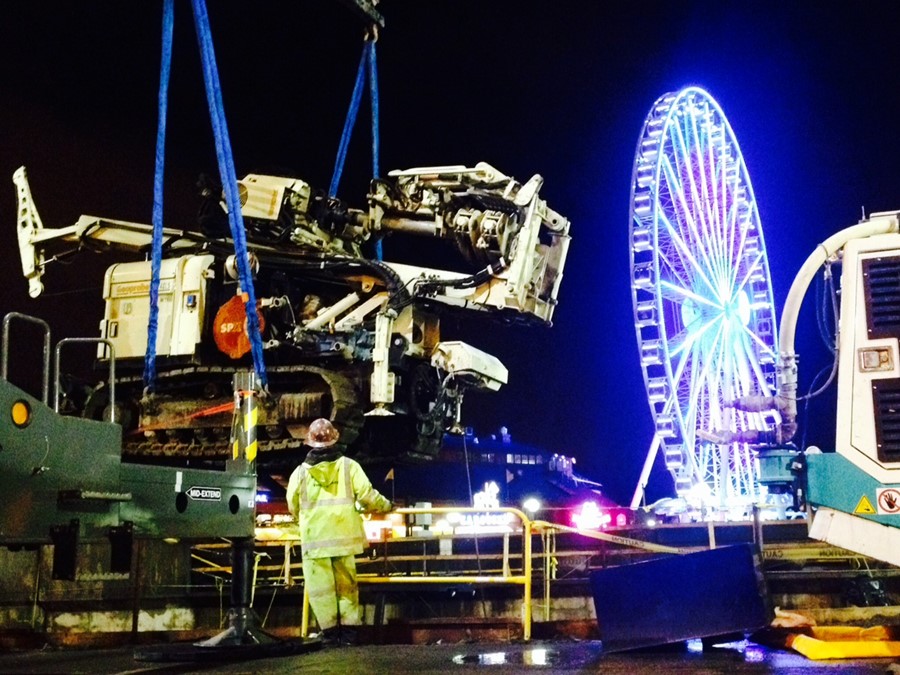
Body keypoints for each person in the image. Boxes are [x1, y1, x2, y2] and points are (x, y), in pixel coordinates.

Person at [286, 418, 392, 646]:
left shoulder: (299, 474)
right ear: (335, 439)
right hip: (344, 541)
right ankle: (349, 637)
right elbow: (367, 496)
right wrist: (387, 506)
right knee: (347, 589)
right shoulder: (349, 466)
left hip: (315, 543)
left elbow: (293, 506)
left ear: (310, 443)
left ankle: (330, 636)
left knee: (321, 593)